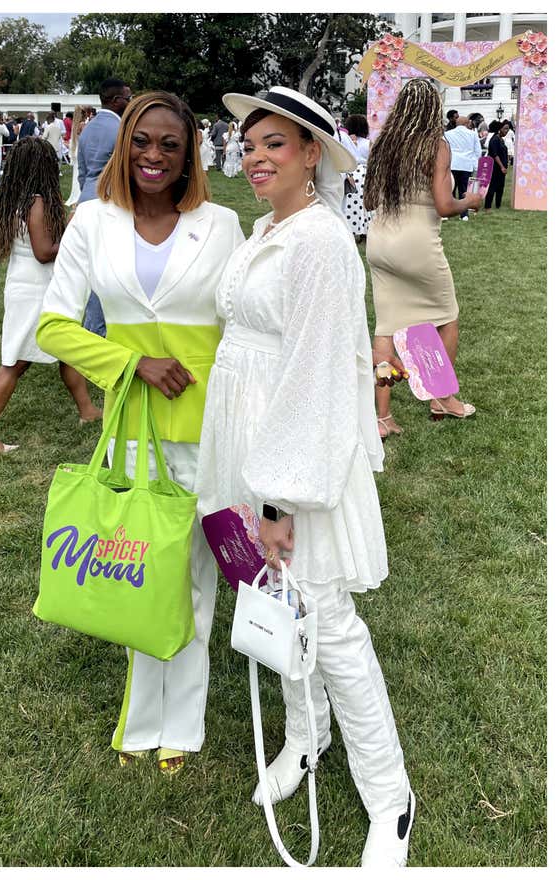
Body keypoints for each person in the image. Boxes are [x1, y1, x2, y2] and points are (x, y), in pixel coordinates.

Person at [195, 85, 413, 868]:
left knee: (325, 621)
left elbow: (317, 374)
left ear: (311, 154)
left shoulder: (318, 241)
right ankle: (304, 738)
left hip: (296, 459)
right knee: (272, 603)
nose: (253, 155)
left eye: (274, 144)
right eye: (247, 143)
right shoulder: (269, 230)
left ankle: (389, 795)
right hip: (246, 443)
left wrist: (277, 497)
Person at [36, 91, 244, 775]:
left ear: (190, 158)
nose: (154, 155)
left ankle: (181, 723)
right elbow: (54, 324)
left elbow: (242, 329)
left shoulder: (221, 225)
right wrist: (131, 364)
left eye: (170, 145)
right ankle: (140, 719)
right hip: (130, 428)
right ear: (123, 145)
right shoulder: (93, 221)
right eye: (143, 142)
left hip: (207, 427)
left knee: (193, 582)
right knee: (138, 575)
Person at [364, 78, 484, 435]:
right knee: (447, 317)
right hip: (417, 242)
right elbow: (445, 206)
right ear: (433, 107)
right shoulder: (436, 144)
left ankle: (382, 418)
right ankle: (442, 397)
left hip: (380, 242)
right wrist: (471, 202)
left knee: (384, 329)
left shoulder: (383, 144)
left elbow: (369, 201)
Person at [0, 137, 101, 454]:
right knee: (15, 363)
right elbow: (44, 252)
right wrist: (72, 225)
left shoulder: (20, 199)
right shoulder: (37, 201)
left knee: (66, 345)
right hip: (34, 292)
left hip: (28, 286)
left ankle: (87, 410)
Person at [76, 77, 132, 338]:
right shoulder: (121, 129)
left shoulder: (87, 128)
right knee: (106, 268)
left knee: (88, 267)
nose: (130, 102)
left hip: (86, 198)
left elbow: (83, 171)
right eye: (128, 98)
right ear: (115, 100)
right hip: (110, 200)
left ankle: (90, 325)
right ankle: (96, 329)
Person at [443, 115, 482, 221]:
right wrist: (475, 165)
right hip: (466, 165)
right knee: (464, 190)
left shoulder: (447, 134)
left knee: (450, 189)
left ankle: (447, 213)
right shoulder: (473, 134)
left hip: (452, 164)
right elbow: (477, 151)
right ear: (467, 123)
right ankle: (464, 215)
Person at [341, 113, 372, 241]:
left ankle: (351, 230)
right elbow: (372, 159)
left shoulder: (346, 140)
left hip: (350, 173)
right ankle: (365, 231)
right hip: (364, 174)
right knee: (364, 205)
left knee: (350, 204)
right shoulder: (368, 143)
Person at [484, 120, 510, 211]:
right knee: (492, 186)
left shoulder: (501, 139)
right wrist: (502, 166)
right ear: (499, 129)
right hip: (495, 167)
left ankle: (498, 205)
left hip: (502, 167)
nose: (506, 131)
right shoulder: (494, 139)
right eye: (505, 129)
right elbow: (495, 155)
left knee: (500, 187)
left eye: (508, 129)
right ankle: (488, 206)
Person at [65, 105, 87, 206]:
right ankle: (79, 193)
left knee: (77, 172)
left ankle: (76, 193)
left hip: (76, 149)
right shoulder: (82, 125)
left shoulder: (75, 125)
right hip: (82, 149)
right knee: (82, 171)